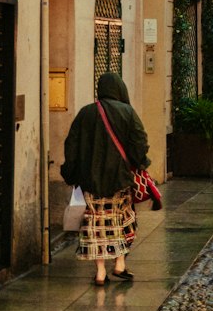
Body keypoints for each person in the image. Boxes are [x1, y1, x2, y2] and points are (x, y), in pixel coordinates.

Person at [61, 72, 150, 286]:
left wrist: (71, 173)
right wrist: (140, 163)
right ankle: (120, 264)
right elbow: (140, 141)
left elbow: (71, 145)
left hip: (90, 181)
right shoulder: (128, 112)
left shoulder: (85, 113)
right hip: (120, 180)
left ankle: (101, 272)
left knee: (96, 224)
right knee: (123, 220)